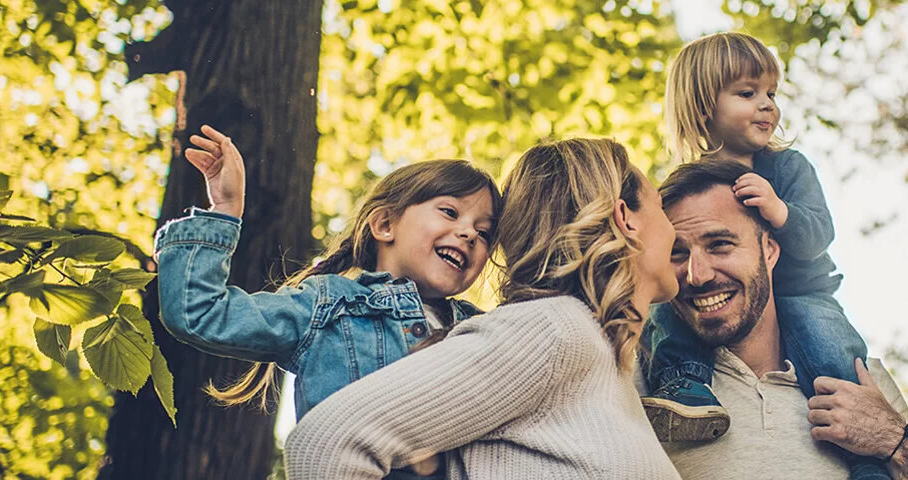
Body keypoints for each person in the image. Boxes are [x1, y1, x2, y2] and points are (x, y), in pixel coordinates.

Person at [282, 138, 682, 479]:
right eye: (661, 207)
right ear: (625, 217)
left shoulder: (605, 360)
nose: (674, 230)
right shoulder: (553, 331)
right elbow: (326, 442)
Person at [155, 125, 500, 479]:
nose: (470, 233)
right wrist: (226, 209)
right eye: (450, 212)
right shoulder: (328, 305)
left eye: (484, 231)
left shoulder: (483, 330)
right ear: (384, 224)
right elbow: (199, 312)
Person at [643, 30, 885, 475]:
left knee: (832, 349)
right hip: (722, 310)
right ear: (703, 107)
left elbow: (818, 236)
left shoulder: (787, 167)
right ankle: (683, 387)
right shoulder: (685, 186)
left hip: (802, 295)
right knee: (665, 312)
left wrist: (778, 210)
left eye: (771, 93)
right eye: (747, 93)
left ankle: (864, 462)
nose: (767, 105)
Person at [649, 160, 908, 480]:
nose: (698, 275)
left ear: (770, 251)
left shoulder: (863, 384)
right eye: (677, 253)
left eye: (720, 245)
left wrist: (893, 441)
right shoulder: (644, 388)